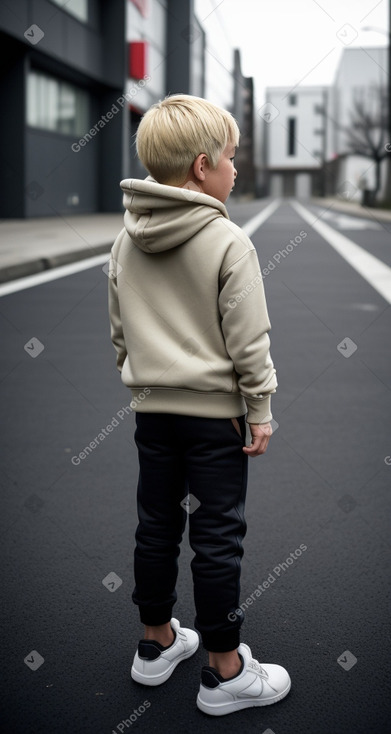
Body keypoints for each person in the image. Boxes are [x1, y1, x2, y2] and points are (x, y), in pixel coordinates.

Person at [108, 94, 291, 716]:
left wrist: (145, 386)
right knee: (217, 536)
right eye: (233, 159)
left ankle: (156, 644)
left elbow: (120, 335)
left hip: (152, 415)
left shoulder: (125, 242)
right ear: (202, 166)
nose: (236, 170)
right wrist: (259, 407)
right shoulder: (227, 240)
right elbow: (249, 339)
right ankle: (225, 670)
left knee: (156, 524)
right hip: (216, 419)